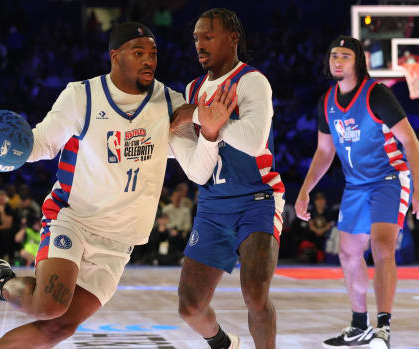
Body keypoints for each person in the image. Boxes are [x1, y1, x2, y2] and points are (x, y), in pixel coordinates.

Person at [0, 22, 236, 349]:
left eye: (153, 54)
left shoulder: (171, 104)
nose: (148, 60)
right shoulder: (81, 96)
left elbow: (199, 171)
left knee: (59, 327)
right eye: (138, 52)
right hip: (74, 219)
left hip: (119, 242)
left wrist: (210, 133)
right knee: (49, 305)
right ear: (115, 56)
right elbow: (42, 143)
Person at [295, 35, 419, 349]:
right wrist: (305, 190)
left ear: (358, 61)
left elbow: (411, 142)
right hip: (356, 185)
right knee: (349, 254)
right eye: (333, 55)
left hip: (389, 179)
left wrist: (418, 187)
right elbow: (324, 152)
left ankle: (384, 328)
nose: (337, 60)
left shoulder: (377, 95)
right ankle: (360, 325)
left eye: (344, 56)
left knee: (381, 248)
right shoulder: (327, 102)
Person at [171, 8, 284, 349]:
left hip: (257, 199)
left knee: (255, 293)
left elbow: (253, 141)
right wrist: (206, 122)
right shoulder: (192, 89)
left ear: (232, 38)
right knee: (189, 307)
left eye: (208, 36)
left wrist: (211, 122)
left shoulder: (252, 81)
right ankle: (222, 343)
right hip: (211, 205)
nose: (199, 44)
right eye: (195, 38)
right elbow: (196, 168)